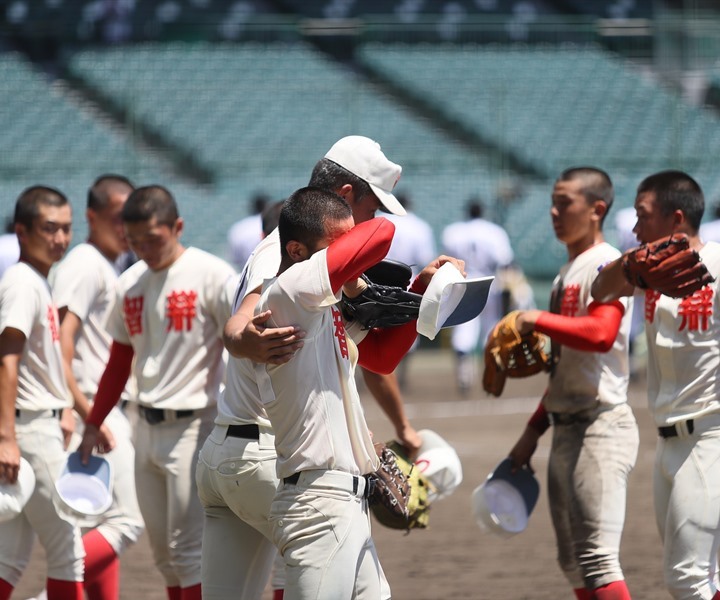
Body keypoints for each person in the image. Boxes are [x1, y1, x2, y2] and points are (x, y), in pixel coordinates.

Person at [199, 136, 423, 599]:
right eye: (372, 206)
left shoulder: (308, 262)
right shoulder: (288, 260)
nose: (373, 220)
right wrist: (240, 337)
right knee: (312, 564)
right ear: (345, 196)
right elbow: (246, 316)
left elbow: (374, 357)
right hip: (269, 453)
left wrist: (426, 290)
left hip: (235, 446)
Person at [259, 187, 461, 598]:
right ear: (297, 251)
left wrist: (422, 289)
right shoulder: (290, 291)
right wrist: (359, 243)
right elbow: (381, 232)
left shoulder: (322, 306)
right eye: (341, 247)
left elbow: (382, 357)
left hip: (345, 498)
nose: (356, 260)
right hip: (317, 502)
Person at [78, 185, 236, 600]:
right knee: (163, 554)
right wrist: (93, 422)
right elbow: (118, 361)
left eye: (153, 237)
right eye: (135, 240)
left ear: (177, 226)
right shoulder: (130, 282)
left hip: (195, 424)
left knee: (187, 549)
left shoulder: (212, 274)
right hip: (142, 425)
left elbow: (240, 346)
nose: (144, 248)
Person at [506, 167, 638, 600]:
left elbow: (600, 335)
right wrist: (532, 431)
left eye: (565, 202)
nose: (554, 211)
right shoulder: (569, 270)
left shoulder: (605, 264)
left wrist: (534, 318)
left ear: (597, 209)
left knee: (597, 560)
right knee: (574, 563)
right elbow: (566, 368)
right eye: (553, 201)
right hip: (567, 425)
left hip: (600, 427)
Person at [592, 170, 720, 600]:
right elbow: (600, 289)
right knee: (705, 574)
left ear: (676, 218)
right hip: (668, 444)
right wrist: (629, 265)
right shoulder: (647, 266)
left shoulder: (718, 265)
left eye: (643, 216)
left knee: (686, 577)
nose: (634, 228)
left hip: (711, 436)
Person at [50, 174, 145, 600]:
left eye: (132, 217)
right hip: (93, 407)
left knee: (95, 522)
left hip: (98, 406)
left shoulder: (103, 264)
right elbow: (61, 338)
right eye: (117, 217)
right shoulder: (86, 263)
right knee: (127, 521)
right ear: (92, 216)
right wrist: (82, 408)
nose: (126, 226)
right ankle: (50, 591)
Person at [0, 186, 85, 600]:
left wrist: (65, 408)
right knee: (68, 549)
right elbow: (6, 359)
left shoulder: (36, 279)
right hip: (29, 431)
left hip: (36, 425)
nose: (60, 238)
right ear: (21, 230)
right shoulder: (21, 281)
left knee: (9, 559)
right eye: (49, 228)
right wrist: (7, 439)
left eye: (67, 228)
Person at [442, 199, 514, 394]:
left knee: (464, 329)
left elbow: (445, 261)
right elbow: (506, 262)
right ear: (482, 211)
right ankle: (490, 374)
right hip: (490, 282)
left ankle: (465, 374)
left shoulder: (453, 231)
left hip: (462, 281)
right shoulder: (494, 231)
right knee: (490, 328)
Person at [383, 192, 437, 390]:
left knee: (371, 329)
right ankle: (400, 377)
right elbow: (425, 260)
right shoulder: (420, 227)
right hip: (408, 284)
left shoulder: (381, 220)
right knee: (407, 331)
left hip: (377, 281)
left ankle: (376, 376)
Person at [227, 192, 269, 269]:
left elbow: (234, 259)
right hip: (269, 274)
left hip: (245, 274)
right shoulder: (272, 223)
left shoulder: (238, 227)